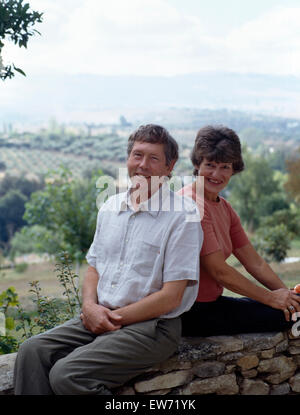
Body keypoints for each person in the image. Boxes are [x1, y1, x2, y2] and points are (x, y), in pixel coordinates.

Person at [13, 124, 203, 395]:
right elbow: (94, 268)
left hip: (153, 327)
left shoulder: (183, 215)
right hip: (101, 315)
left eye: (154, 158)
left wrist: (110, 317)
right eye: (137, 155)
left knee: (68, 375)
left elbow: (171, 297)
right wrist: (90, 307)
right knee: (32, 351)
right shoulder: (110, 208)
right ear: (128, 159)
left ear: (169, 166)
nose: (143, 165)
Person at [179, 125, 300, 337]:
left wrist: (288, 298)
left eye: (225, 167)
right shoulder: (191, 203)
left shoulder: (224, 207)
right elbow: (219, 271)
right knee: (282, 316)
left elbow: (255, 263)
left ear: (234, 169)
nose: (217, 174)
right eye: (210, 165)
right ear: (197, 164)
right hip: (189, 311)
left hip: (211, 304)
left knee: (293, 311)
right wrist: (273, 299)